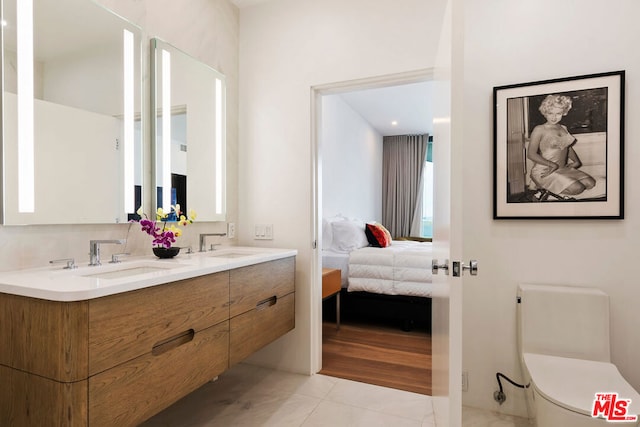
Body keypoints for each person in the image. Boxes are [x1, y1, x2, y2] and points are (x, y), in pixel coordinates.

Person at [527, 94, 596, 198]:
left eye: (558, 113)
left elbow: (567, 147)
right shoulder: (540, 129)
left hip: (562, 168)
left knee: (590, 183)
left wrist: (576, 161)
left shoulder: (563, 128)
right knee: (578, 188)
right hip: (545, 171)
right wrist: (552, 165)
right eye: (550, 113)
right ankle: (544, 192)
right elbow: (531, 154)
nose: (554, 117)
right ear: (545, 112)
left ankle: (552, 190)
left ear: (564, 112)